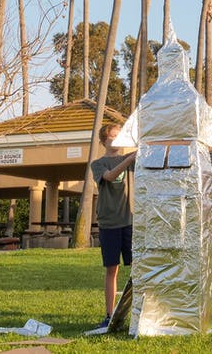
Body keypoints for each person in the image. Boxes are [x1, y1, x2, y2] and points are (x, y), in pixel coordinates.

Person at [90, 122, 136, 331]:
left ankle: (138, 314)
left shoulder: (131, 159)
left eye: (120, 136)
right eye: (112, 137)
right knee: (112, 269)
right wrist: (129, 159)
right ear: (103, 141)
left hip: (129, 221)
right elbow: (109, 177)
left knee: (137, 268)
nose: (116, 140)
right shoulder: (98, 164)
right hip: (109, 222)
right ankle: (109, 315)